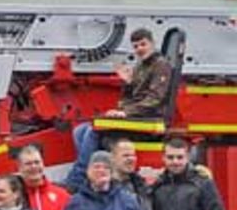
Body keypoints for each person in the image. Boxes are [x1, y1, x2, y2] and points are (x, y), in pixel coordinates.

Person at [67, 28, 173, 191]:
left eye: (143, 44)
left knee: (93, 132)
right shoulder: (139, 66)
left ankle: (78, 179)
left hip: (148, 119)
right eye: (136, 46)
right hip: (135, 116)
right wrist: (128, 84)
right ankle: (90, 173)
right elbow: (130, 99)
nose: (139, 49)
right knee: (79, 130)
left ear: (152, 43)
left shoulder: (161, 65)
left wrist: (126, 113)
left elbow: (154, 99)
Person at [17, 145, 70, 210]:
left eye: (37, 162)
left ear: (43, 164)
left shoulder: (62, 195)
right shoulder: (13, 197)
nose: (34, 166)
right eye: (28, 164)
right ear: (20, 168)